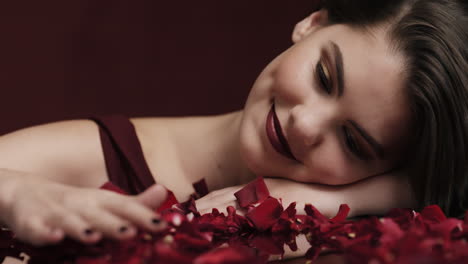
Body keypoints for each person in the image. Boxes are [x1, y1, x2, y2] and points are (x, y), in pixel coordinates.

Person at [0, 0, 467, 258]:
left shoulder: (359, 228)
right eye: (324, 78)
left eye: (352, 141)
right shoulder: (104, 154)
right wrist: (17, 193)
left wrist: (373, 197)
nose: (304, 124)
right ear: (313, 22)